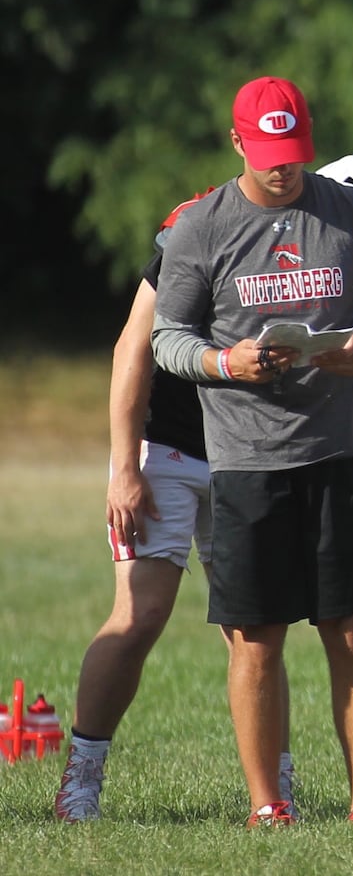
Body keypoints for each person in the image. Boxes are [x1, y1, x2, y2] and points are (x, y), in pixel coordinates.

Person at [151, 77, 353, 827]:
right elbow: (169, 338)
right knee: (256, 640)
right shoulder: (201, 226)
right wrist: (225, 364)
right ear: (236, 143)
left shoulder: (348, 211)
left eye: (293, 152)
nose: (281, 169)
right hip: (246, 462)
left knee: (352, 629)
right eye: (266, 154)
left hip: (341, 453)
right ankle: (268, 806)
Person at [55, 196, 297, 823]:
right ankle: (81, 779)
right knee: (140, 616)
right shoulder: (195, 227)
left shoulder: (308, 236)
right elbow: (132, 349)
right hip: (163, 446)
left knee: (257, 631)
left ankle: (277, 791)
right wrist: (125, 467)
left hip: (242, 451)